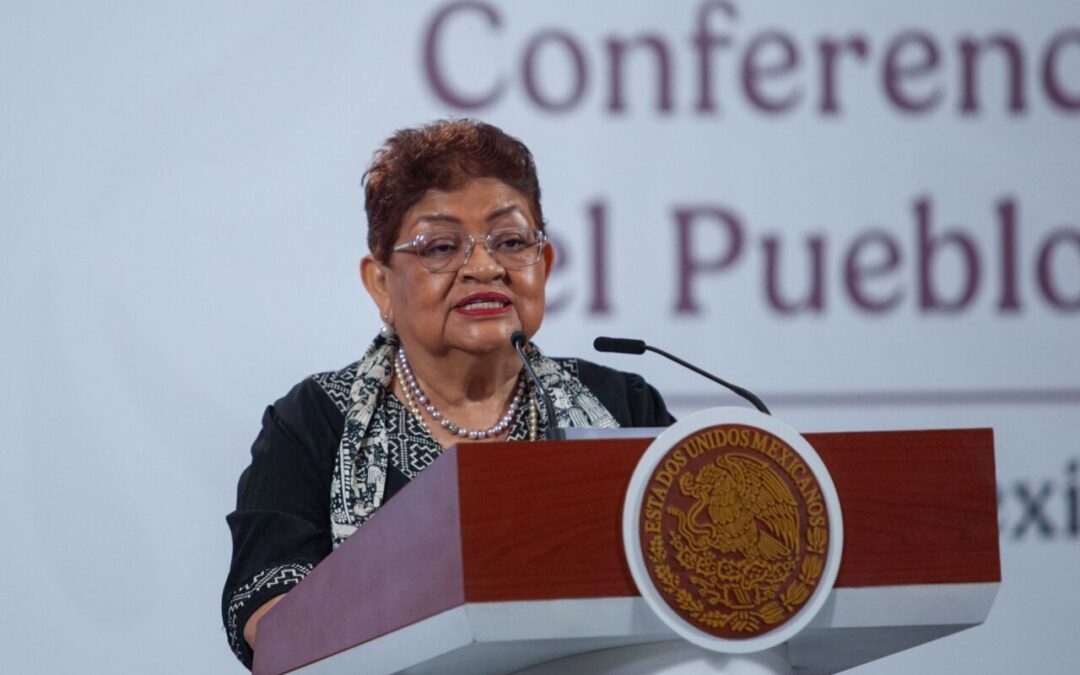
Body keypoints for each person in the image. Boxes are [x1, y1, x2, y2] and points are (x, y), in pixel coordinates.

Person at [221, 119, 674, 669]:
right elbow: (268, 616)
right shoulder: (314, 421)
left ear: (544, 265)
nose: (484, 267)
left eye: (511, 242)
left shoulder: (622, 406)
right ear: (381, 284)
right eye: (440, 246)